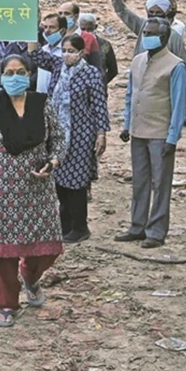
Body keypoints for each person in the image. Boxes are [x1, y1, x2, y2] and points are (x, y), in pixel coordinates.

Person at [0, 52, 66, 328]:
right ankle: (7, 303)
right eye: (9, 73)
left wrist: (53, 162)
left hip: (38, 187)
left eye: (20, 72)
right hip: (2, 188)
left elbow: (59, 138)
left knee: (48, 247)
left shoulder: (42, 104)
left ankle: (30, 277)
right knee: (3, 251)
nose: (15, 77)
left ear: (29, 75)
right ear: (1, 77)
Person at [118, 18, 186, 248]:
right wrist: (126, 124)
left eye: (151, 33)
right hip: (138, 131)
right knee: (140, 182)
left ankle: (156, 231)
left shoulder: (175, 65)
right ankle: (137, 226)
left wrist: (172, 136)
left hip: (160, 133)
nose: (146, 36)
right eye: (145, 32)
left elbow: (178, 105)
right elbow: (131, 95)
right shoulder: (138, 61)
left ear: (164, 37)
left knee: (161, 184)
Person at [48, 35, 110, 243]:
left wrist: (101, 133)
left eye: (71, 51)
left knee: (76, 183)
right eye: (64, 50)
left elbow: (99, 104)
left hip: (81, 135)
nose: (67, 54)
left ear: (82, 52)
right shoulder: (59, 69)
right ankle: (64, 225)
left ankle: (80, 227)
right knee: (60, 182)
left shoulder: (90, 73)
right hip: (58, 135)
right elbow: (35, 56)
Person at [79, 14, 118, 87]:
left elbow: (113, 70)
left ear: (95, 27)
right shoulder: (74, 44)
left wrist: (101, 82)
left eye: (90, 29)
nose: (87, 32)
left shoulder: (104, 44)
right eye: (83, 29)